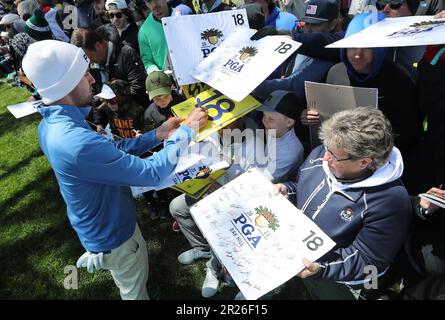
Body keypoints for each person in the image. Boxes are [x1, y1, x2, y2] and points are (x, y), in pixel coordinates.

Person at [21, 39, 208, 299]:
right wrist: (187, 131)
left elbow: (109, 152)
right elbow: (151, 173)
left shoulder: (54, 125)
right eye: (84, 74)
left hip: (105, 229)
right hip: (115, 236)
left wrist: (157, 134)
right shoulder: (75, 141)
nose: (92, 81)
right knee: (133, 293)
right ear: (66, 83)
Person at [170, 90, 305, 298]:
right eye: (263, 115)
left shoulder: (289, 150)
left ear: (290, 122)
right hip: (232, 184)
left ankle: (224, 269)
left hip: (258, 201)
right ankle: (207, 252)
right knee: (178, 207)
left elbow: (257, 183)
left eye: (270, 118)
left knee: (215, 217)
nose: (264, 120)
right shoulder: (263, 129)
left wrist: (224, 166)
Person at [271, 107, 412, 300]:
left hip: (338, 283)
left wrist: (321, 268)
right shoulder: (329, 150)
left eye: (334, 156)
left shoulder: (391, 201)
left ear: (364, 162)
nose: (325, 157)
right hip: (295, 255)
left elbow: (369, 262)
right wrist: (288, 190)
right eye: (326, 148)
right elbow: (302, 184)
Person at [138, 0, 192, 74]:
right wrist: (157, 73)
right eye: (149, 1)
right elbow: (148, 62)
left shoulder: (183, 14)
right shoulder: (144, 31)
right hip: (170, 81)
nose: (154, 5)